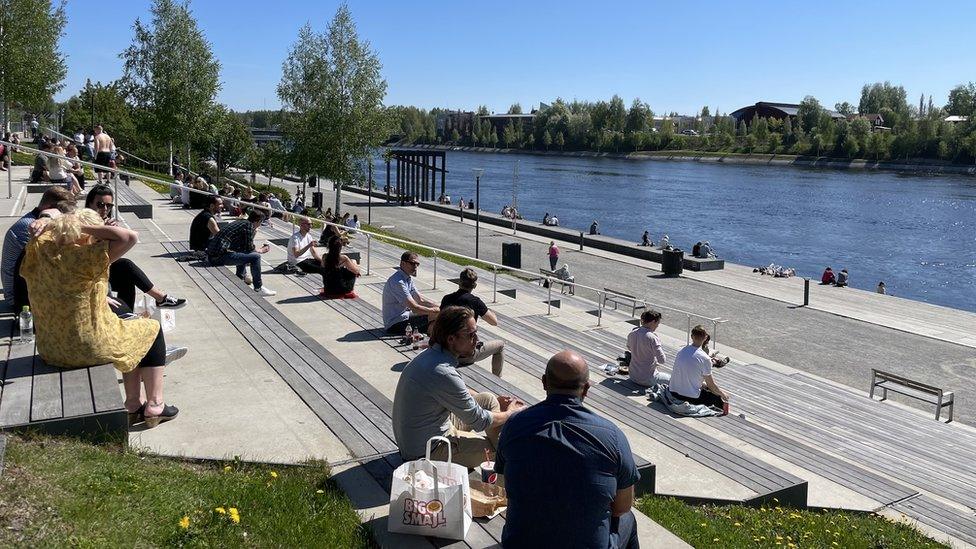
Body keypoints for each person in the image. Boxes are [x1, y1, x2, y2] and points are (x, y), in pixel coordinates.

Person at [21, 209, 182, 427]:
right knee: (151, 329)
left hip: (51, 349)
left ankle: (134, 406)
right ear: (85, 236)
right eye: (96, 239)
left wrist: (49, 220)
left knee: (129, 328)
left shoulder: (38, 248)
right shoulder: (84, 258)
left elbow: (50, 210)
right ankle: (155, 404)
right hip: (85, 348)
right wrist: (83, 227)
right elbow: (129, 237)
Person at [496, 350, 640, 549]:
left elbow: (509, 485)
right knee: (628, 519)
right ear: (586, 389)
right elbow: (622, 507)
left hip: (519, 543)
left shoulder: (514, 425)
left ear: (544, 382)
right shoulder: (612, 435)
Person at [391, 305, 523, 467]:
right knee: (497, 452)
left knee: (488, 399)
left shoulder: (432, 356)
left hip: (425, 433)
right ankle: (507, 454)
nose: (477, 339)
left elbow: (458, 392)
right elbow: (479, 421)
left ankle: (502, 444)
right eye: (471, 334)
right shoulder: (443, 371)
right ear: (451, 339)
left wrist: (497, 400)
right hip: (425, 452)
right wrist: (511, 413)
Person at [84, 186, 187, 310]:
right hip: (86, 272)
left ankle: (128, 313)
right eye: (100, 204)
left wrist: (112, 233)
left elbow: (110, 253)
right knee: (125, 265)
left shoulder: (106, 222)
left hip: (101, 268)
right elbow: (81, 251)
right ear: (90, 203)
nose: (105, 209)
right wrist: (103, 232)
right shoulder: (82, 222)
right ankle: (159, 298)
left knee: (126, 276)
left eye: (109, 206)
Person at [2, 186, 74, 308]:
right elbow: (52, 263)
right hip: (16, 296)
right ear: (51, 208)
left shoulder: (33, 219)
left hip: (21, 285)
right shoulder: (31, 227)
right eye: (63, 213)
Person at [440, 268, 505, 377]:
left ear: (459, 282)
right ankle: (497, 379)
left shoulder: (446, 299)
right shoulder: (475, 301)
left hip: (446, 350)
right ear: (474, 285)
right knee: (501, 345)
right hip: (465, 355)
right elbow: (494, 322)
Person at [207, 210, 276, 296]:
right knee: (256, 257)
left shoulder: (241, 222)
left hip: (212, 255)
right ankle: (258, 288)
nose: (260, 225)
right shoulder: (249, 226)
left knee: (242, 252)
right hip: (218, 257)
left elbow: (243, 247)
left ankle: (240, 278)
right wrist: (261, 250)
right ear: (258, 221)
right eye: (260, 223)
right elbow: (249, 248)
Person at [670, 325, 730, 415]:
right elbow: (711, 385)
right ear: (705, 337)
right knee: (717, 396)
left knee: (705, 387)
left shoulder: (681, 351)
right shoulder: (705, 358)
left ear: (691, 336)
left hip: (673, 393)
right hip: (689, 398)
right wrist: (723, 394)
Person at [382, 251, 439, 334]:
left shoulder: (408, 278)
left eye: (417, 264)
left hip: (404, 317)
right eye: (412, 263)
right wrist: (434, 310)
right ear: (403, 263)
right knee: (435, 316)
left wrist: (442, 307)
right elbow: (414, 307)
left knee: (439, 315)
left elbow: (420, 300)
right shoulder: (397, 281)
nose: (415, 267)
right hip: (394, 324)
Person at [626, 310, 671, 388]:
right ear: (653, 322)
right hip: (647, 379)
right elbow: (662, 360)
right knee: (673, 380)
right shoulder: (652, 337)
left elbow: (629, 348)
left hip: (633, 376)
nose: (657, 326)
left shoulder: (632, 333)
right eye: (657, 323)